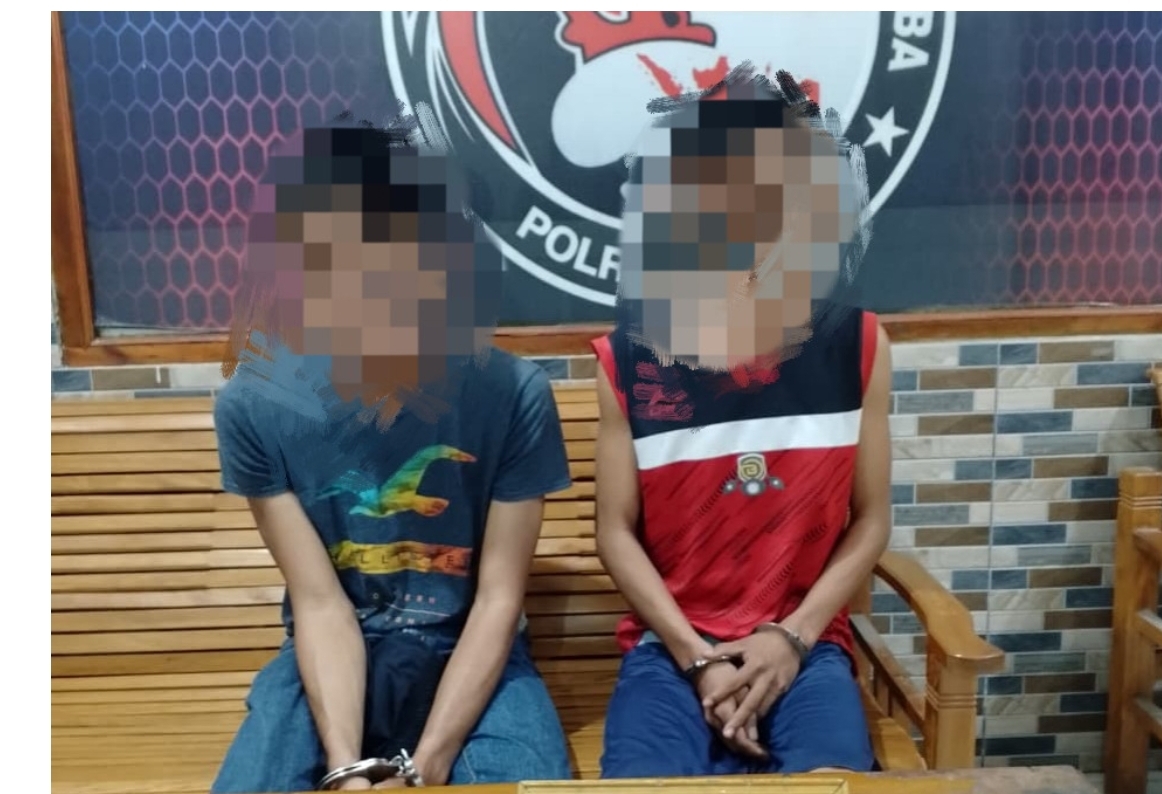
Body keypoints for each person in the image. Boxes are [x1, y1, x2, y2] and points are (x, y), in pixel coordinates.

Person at [210, 111, 574, 792]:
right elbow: (320, 604)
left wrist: (426, 765)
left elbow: (498, 600)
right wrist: (346, 768)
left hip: (468, 650)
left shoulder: (511, 392)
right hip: (332, 651)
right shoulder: (255, 406)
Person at [592, 67, 893, 778]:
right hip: (670, 651)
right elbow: (614, 532)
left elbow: (872, 519)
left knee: (832, 783)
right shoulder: (629, 358)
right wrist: (697, 657)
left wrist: (793, 636)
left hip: (805, 646)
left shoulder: (858, 345)